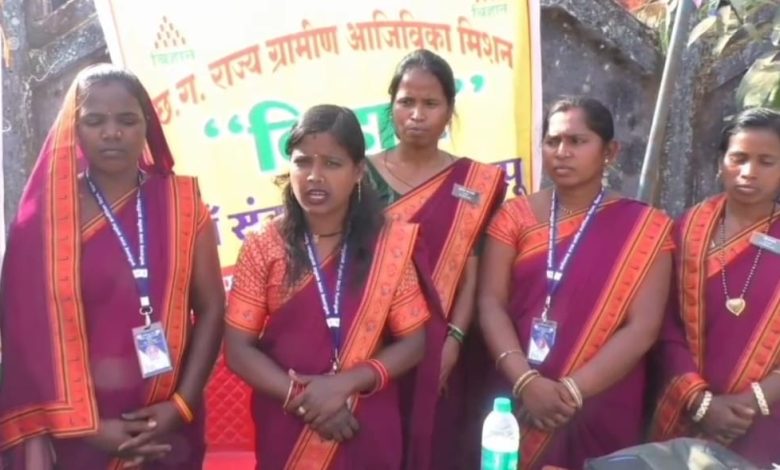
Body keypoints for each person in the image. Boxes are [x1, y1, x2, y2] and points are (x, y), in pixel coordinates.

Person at [0, 64, 225, 469]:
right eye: (94, 121)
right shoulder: (44, 220)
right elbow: (23, 336)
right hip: (77, 436)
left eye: (126, 120)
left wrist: (181, 405)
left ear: (147, 125)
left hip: (168, 426)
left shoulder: (182, 204)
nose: (111, 132)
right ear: (74, 129)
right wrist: (89, 429)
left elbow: (210, 309)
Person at [224, 104, 430, 470]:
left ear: (358, 172)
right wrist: (304, 398)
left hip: (366, 421)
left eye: (332, 164)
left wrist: (345, 384)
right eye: (303, 162)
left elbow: (414, 342)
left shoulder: (388, 244)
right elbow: (238, 350)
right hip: (288, 424)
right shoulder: (263, 245)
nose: (314, 176)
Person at [478, 96, 674, 469]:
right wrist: (526, 383)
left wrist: (570, 391)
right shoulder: (515, 216)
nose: (562, 152)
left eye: (577, 141)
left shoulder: (647, 228)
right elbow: (491, 303)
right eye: (552, 141)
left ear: (610, 151)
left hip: (601, 400)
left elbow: (643, 327)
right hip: (514, 396)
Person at [366, 48, 507, 469]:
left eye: (430, 103)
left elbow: (471, 270)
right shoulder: (359, 175)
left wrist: (454, 341)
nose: (417, 114)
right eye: (406, 101)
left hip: (443, 344)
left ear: (449, 111)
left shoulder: (477, 183)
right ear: (390, 107)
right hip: (367, 344)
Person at [652, 107, 780, 467]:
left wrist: (751, 402)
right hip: (683, 406)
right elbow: (664, 323)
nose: (749, 172)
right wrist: (701, 402)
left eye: (766, 162)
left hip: (762, 417)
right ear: (720, 163)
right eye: (738, 158)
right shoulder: (688, 229)